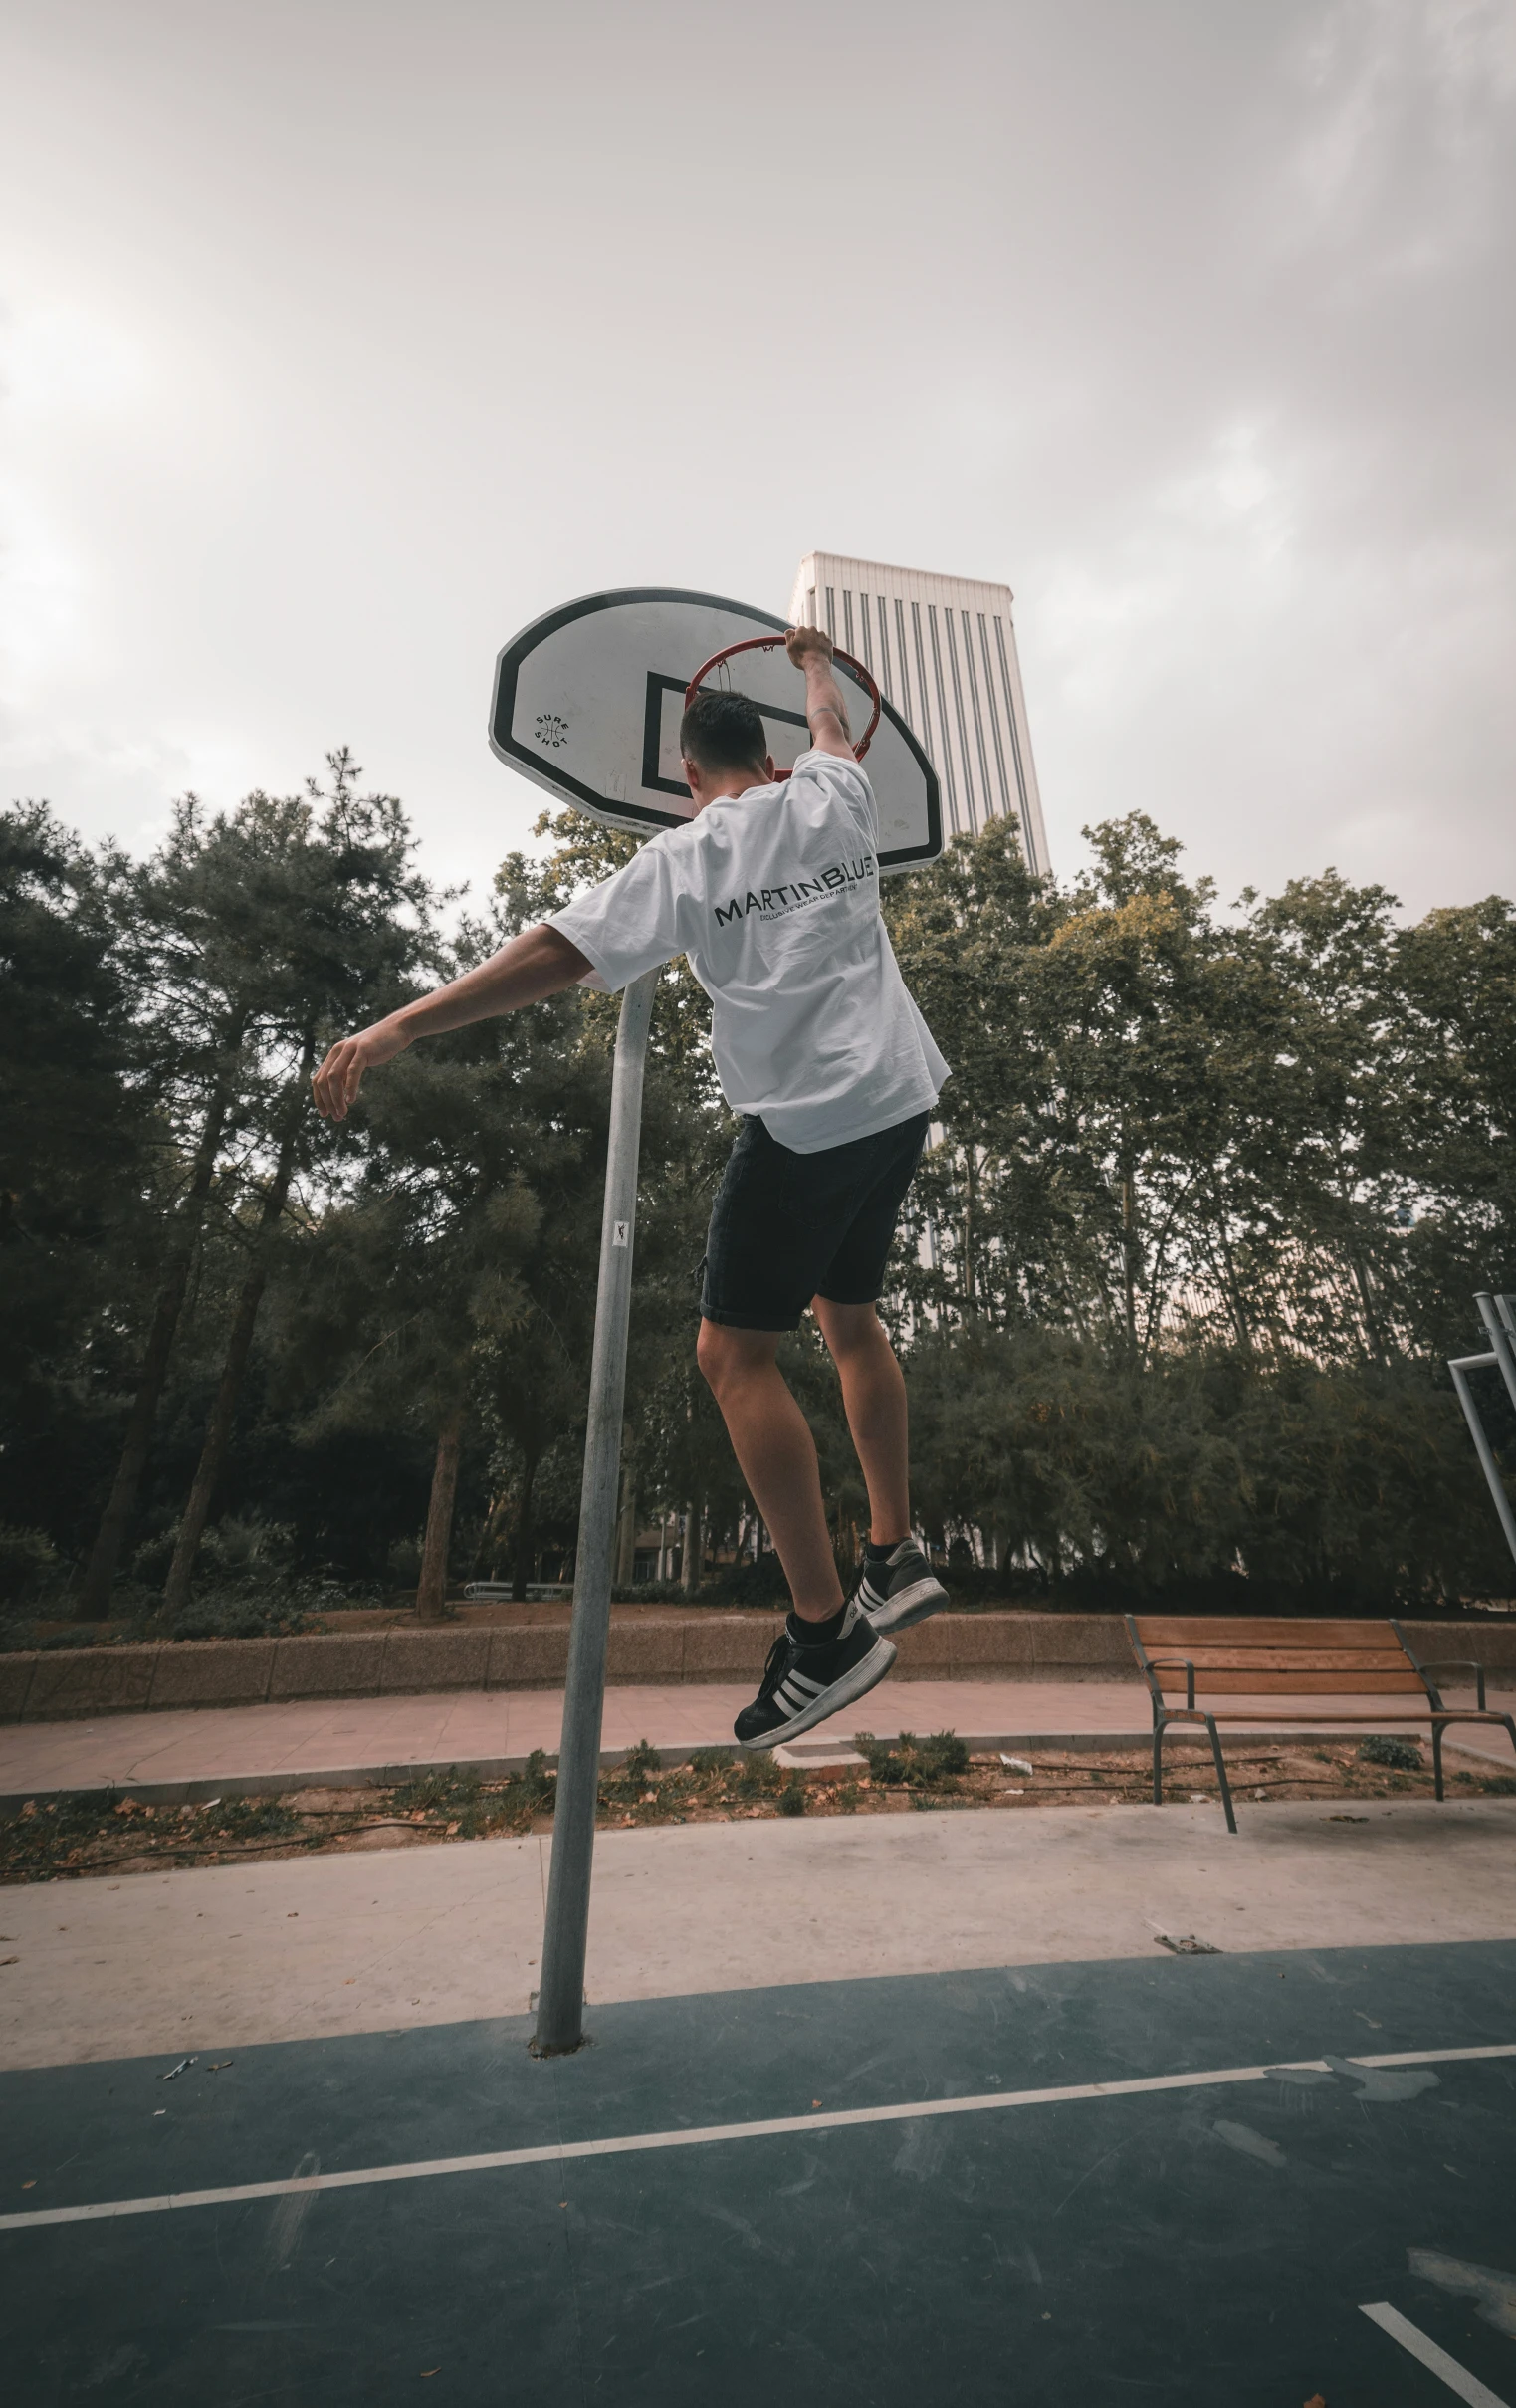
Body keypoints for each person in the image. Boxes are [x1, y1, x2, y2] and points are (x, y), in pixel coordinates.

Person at [312, 624, 950, 1747]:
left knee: (728, 1355)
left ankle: (823, 1632)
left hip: (803, 1129)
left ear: (686, 778)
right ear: (769, 757)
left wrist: (401, 1023)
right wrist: (812, 663)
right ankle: (893, 1554)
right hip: (898, 1099)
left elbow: (553, 952)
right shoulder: (835, 797)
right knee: (849, 1318)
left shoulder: (683, 859)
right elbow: (837, 726)